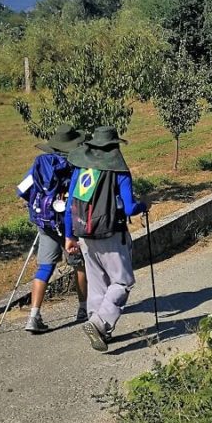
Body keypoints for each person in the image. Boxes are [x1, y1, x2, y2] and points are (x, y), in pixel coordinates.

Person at [64, 126, 148, 351]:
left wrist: (69, 236)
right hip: (112, 234)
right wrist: (144, 204)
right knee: (122, 282)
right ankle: (99, 323)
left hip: (84, 235)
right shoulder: (119, 172)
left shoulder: (82, 171)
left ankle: (101, 328)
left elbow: (70, 206)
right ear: (115, 147)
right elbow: (130, 208)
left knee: (97, 282)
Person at [17, 124, 88, 334]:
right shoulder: (76, 165)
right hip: (69, 225)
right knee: (79, 266)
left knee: (45, 267)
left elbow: (21, 189)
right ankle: (83, 309)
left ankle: (33, 316)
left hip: (45, 223)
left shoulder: (40, 164)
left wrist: (35, 205)